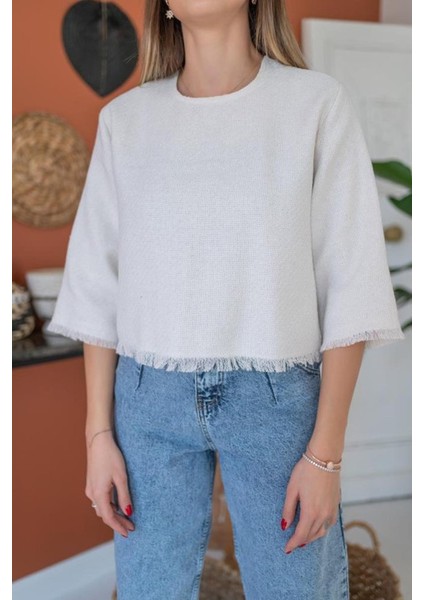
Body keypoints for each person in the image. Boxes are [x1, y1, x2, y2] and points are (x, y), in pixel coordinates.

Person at [47, 0, 406, 598]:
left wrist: (325, 458)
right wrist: (98, 436)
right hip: (146, 403)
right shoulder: (125, 122)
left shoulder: (315, 104)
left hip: (276, 401)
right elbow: (96, 289)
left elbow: (352, 285)